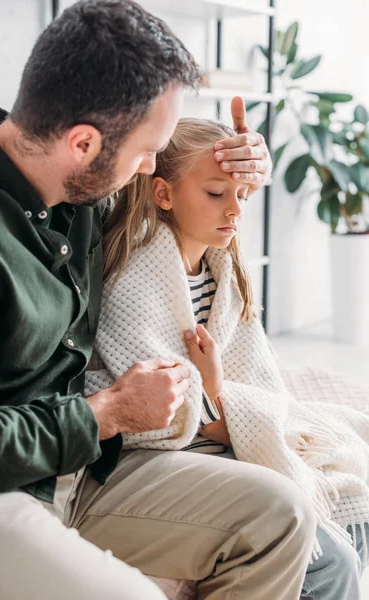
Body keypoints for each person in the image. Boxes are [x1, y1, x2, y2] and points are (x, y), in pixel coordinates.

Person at [0, 1, 295, 599]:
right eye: (148, 152)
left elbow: (183, 195)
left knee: (283, 515)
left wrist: (247, 169)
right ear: (84, 143)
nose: (151, 169)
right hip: (0, 493)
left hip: (89, 471)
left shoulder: (75, 183)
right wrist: (110, 411)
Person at [86, 117, 369, 600]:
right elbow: (168, 415)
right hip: (167, 454)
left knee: (353, 494)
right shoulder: (136, 279)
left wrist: (218, 392)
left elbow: (258, 380)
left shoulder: (223, 271)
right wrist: (215, 392)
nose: (235, 209)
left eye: (242, 193)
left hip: (222, 429)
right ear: (163, 194)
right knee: (333, 557)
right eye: (217, 193)